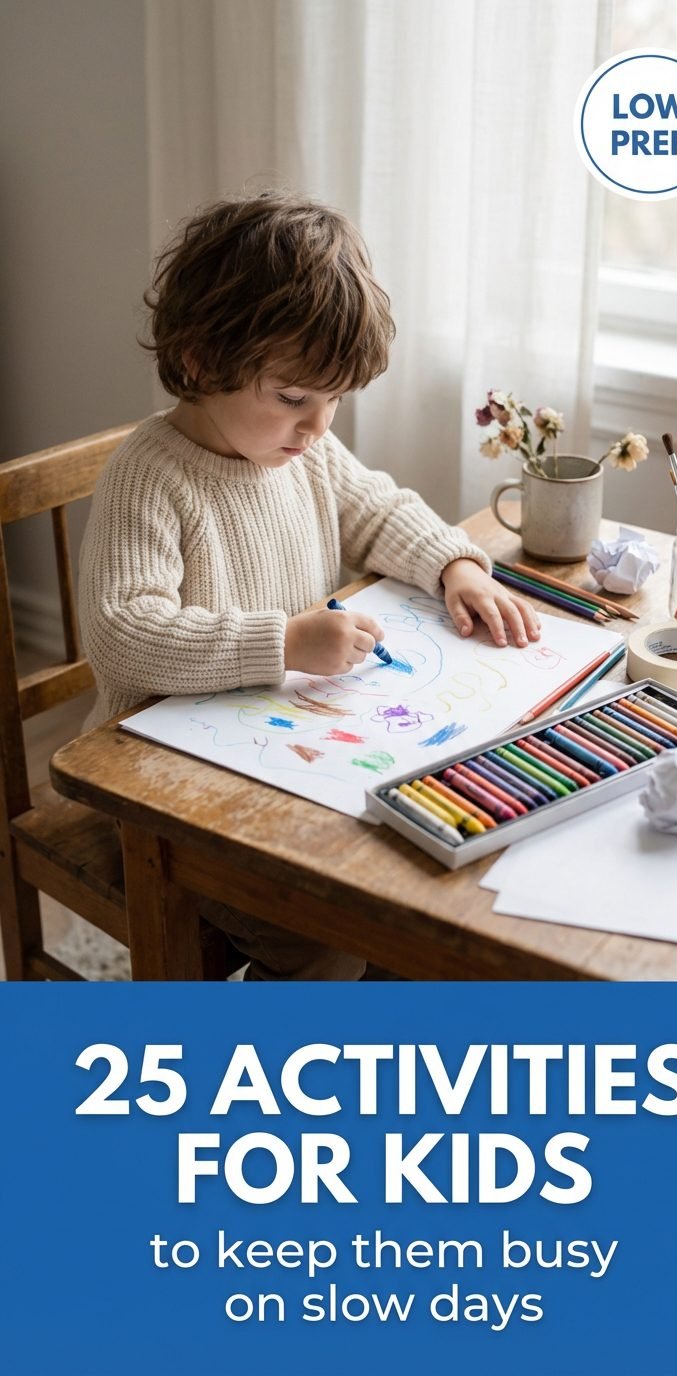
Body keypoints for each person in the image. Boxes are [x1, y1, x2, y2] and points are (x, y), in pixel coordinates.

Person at [79, 190, 540, 980]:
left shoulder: (305, 452)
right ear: (201, 361)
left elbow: (378, 510)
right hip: (156, 792)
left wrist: (453, 563)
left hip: (279, 758)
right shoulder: (150, 476)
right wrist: (284, 642)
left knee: (408, 892)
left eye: (335, 400)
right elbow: (124, 633)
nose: (319, 425)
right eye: (294, 398)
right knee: (322, 939)